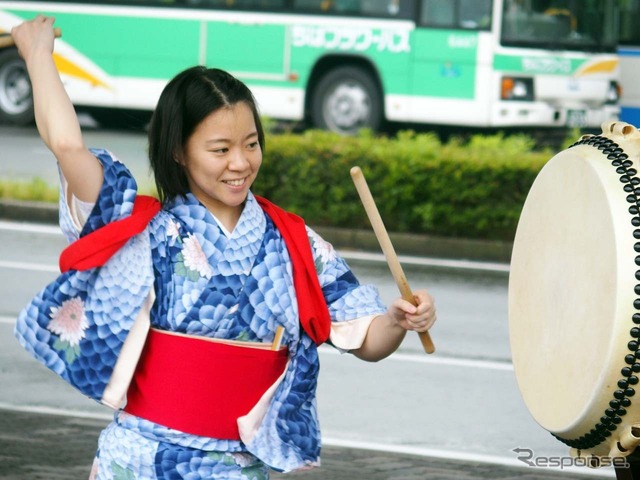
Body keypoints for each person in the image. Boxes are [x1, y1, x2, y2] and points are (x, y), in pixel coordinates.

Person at [11, 15, 437, 480]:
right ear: (178, 150)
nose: (241, 163)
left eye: (251, 144)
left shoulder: (293, 242)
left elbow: (367, 340)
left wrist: (397, 321)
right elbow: (69, 147)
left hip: (239, 466)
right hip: (139, 461)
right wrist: (37, 56)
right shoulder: (147, 232)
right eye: (220, 149)